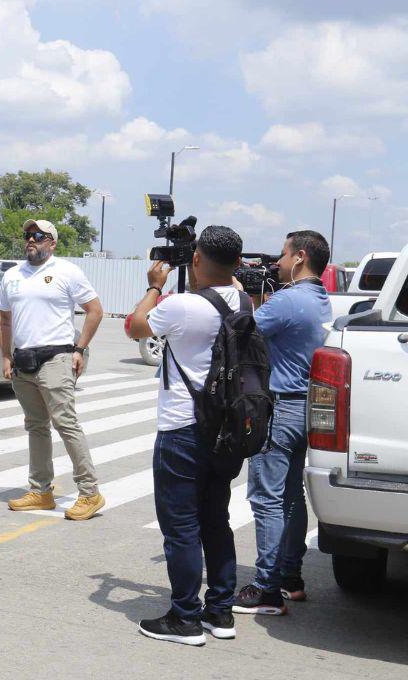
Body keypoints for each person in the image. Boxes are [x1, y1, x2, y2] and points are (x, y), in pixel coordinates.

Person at [126, 225, 245, 646]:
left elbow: (134, 327)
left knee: (180, 527)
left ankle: (184, 618)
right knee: (217, 521)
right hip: (226, 430)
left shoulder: (184, 306)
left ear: (196, 260)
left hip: (183, 429)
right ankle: (220, 612)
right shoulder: (243, 299)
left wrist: (155, 288)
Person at [234, 231, 332, 614]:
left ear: (300, 257)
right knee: (290, 496)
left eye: (283, 254)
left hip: (280, 409)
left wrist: (241, 292)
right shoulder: (319, 298)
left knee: (266, 499)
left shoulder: (289, 300)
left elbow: (241, 331)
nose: (277, 262)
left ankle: (266, 588)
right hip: (305, 409)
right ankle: (290, 576)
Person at [0, 219, 106, 519]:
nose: (32, 240)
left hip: (57, 358)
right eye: (28, 235)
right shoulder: (13, 275)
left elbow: (95, 311)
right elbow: (2, 316)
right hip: (23, 360)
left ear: (52, 243)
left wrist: (79, 348)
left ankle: (90, 492)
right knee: (36, 427)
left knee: (66, 424)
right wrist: (6, 356)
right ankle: (41, 491)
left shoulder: (66, 271)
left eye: (40, 236)